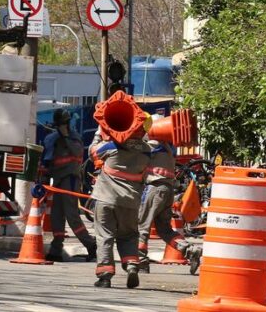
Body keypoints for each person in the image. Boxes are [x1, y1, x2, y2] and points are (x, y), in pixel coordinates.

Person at [89, 128, 151, 289]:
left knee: (105, 236)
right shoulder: (147, 150)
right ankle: (131, 265)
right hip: (130, 202)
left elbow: (92, 154)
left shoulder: (111, 146)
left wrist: (98, 134)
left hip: (106, 198)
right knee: (129, 236)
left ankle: (105, 276)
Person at [136, 134, 201, 273]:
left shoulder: (153, 144)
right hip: (167, 190)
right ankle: (190, 250)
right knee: (164, 230)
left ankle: (141, 262)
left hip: (154, 187)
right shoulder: (170, 147)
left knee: (142, 225)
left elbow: (136, 152)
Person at [40, 108, 97, 262]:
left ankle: (91, 245)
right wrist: (44, 179)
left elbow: (77, 152)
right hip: (58, 181)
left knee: (72, 217)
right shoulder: (52, 138)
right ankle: (56, 249)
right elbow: (47, 160)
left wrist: (65, 136)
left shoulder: (74, 138)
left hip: (70, 180)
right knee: (57, 216)